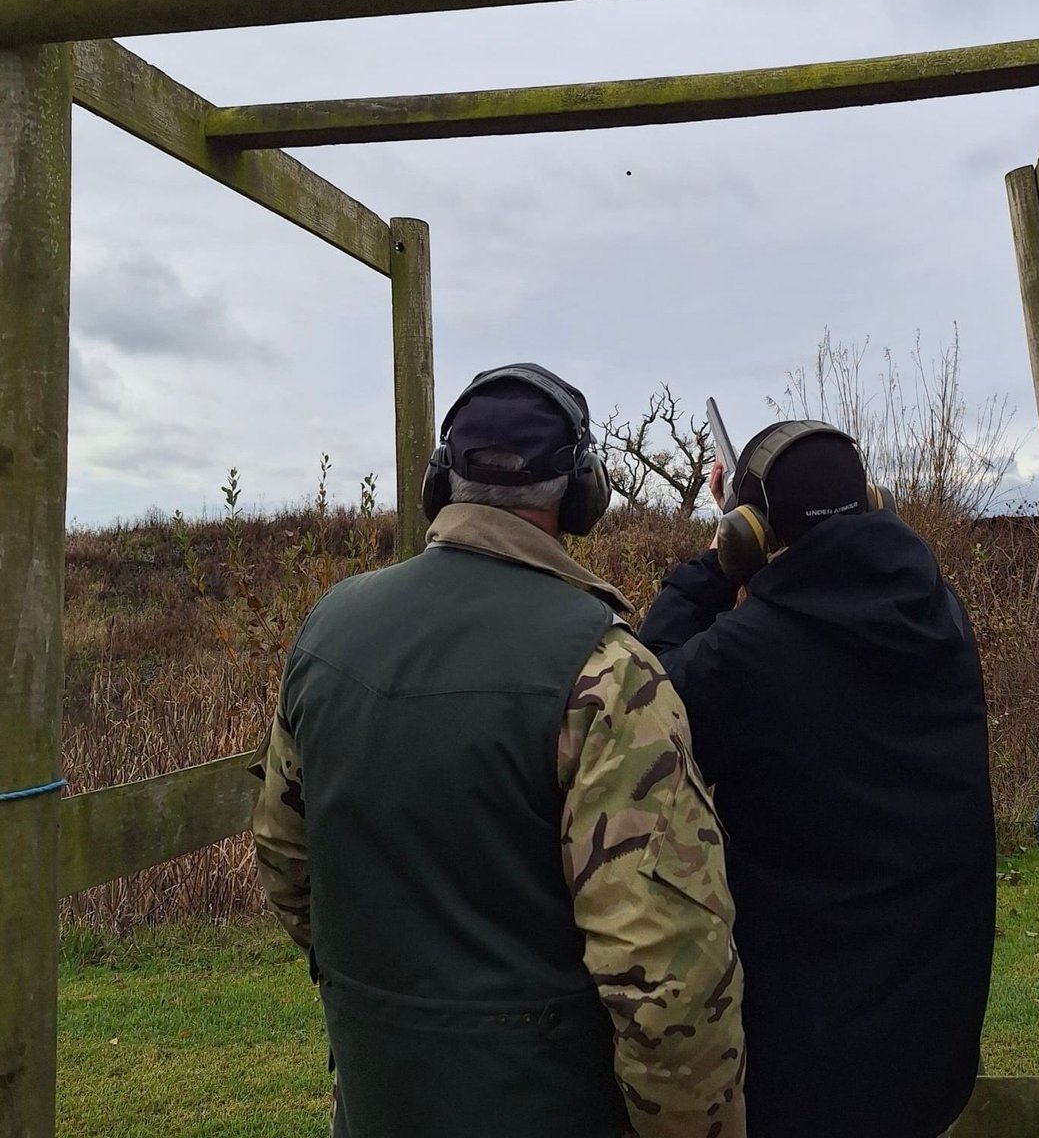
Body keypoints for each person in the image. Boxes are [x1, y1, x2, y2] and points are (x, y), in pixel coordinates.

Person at [250, 363, 746, 1138]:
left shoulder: (327, 632)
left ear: (440, 482)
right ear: (583, 492)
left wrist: (397, 998)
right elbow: (667, 988)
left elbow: (285, 859)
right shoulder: (609, 674)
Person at [639, 420, 995, 1138]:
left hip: (809, 1069)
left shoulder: (744, 657)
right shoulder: (940, 615)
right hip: (932, 1047)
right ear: (872, 500)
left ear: (753, 531)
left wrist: (718, 562)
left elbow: (648, 686)